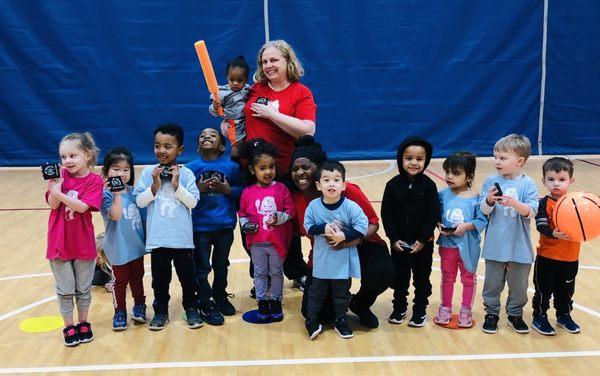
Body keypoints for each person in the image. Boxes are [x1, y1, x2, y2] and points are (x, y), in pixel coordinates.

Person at [291, 136, 395, 329]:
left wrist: (349, 241)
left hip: (364, 244)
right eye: (295, 169)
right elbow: (303, 232)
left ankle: (360, 304)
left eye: (306, 167)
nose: (300, 173)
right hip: (327, 253)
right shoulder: (298, 200)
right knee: (317, 313)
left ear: (319, 169)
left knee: (382, 272)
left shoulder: (349, 192)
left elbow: (373, 224)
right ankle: (340, 303)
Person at [244, 39, 317, 289]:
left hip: (285, 169)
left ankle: (296, 271)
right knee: (257, 224)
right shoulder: (254, 89)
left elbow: (308, 129)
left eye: (274, 60)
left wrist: (272, 114)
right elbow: (235, 111)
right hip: (253, 169)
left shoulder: (300, 92)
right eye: (265, 61)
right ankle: (260, 276)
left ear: (288, 61)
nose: (269, 65)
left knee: (287, 223)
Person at [134, 124, 202, 331]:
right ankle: (160, 311)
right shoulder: (148, 173)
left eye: (167, 146)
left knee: (188, 278)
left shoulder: (187, 174)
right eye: (157, 146)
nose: (161, 151)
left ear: (179, 150)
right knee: (160, 280)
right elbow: (139, 202)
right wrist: (154, 186)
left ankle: (191, 308)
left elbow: (193, 203)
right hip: (158, 239)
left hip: (181, 239)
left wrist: (177, 185)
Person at [45, 132, 103, 346]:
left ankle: (83, 323)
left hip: (83, 243)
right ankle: (69, 326)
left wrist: (58, 192)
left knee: (83, 288)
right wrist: (56, 187)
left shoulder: (94, 181)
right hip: (59, 242)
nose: (67, 161)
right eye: (63, 157)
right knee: (65, 289)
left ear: (87, 155)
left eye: (72, 155)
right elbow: (53, 205)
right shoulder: (59, 177)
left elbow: (81, 207)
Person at [479, 134, 539, 335]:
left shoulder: (528, 184)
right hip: (495, 244)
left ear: (520, 161)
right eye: (495, 157)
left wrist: (515, 203)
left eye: (503, 158)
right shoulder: (490, 181)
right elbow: (483, 212)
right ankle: (492, 313)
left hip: (519, 245)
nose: (497, 162)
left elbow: (531, 212)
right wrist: (488, 200)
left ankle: (515, 313)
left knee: (519, 284)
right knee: (492, 283)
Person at [304, 160, 368, 340]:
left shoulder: (350, 207)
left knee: (341, 294)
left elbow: (362, 226)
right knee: (316, 293)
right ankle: (312, 320)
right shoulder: (314, 207)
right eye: (326, 180)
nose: (331, 184)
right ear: (318, 185)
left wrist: (344, 236)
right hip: (321, 262)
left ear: (344, 185)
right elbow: (307, 227)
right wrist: (323, 227)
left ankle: (341, 319)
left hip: (342, 262)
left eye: (336, 180)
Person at [185, 127, 243, 325]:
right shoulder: (190, 168)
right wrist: (197, 190)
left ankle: (220, 295)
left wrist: (228, 190)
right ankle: (205, 299)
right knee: (201, 267)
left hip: (225, 225)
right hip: (200, 226)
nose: (206, 137)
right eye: (202, 135)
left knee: (221, 264)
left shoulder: (232, 168)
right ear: (198, 146)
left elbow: (242, 192)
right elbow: (183, 196)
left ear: (222, 146)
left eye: (212, 135)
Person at [381, 136, 440, 328]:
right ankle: (399, 307)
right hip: (399, 244)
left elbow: (433, 214)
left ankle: (420, 309)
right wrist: (394, 238)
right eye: (409, 158)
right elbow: (386, 213)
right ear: (401, 159)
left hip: (423, 243)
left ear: (426, 161)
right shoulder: (392, 185)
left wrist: (423, 239)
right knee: (400, 277)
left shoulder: (429, 186)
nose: (414, 162)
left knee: (422, 278)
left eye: (419, 159)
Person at [238, 138, 295, 322]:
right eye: (262, 168)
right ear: (252, 170)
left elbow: (290, 211)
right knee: (260, 272)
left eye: (271, 167)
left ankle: (276, 301)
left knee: (277, 272)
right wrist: (247, 225)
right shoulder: (247, 192)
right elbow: (243, 213)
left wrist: (279, 217)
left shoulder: (281, 189)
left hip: (276, 241)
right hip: (257, 242)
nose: (268, 171)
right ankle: (262, 301)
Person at [434, 152, 487, 328]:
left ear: (469, 176)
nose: (449, 176)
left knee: (468, 278)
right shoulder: (441, 195)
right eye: (447, 172)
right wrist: (439, 224)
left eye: (456, 173)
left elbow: (481, 220)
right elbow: (436, 216)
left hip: (469, 247)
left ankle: (466, 309)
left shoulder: (476, 197)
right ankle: (445, 307)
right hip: (447, 245)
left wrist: (465, 227)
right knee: (447, 277)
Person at [532, 157, 581, 335]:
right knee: (543, 291)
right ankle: (539, 316)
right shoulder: (544, 203)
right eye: (551, 179)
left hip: (570, 257)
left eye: (562, 180)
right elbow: (540, 225)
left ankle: (564, 315)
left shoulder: (577, 203)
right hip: (547, 257)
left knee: (566, 291)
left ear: (571, 180)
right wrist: (553, 233)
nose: (556, 184)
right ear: (543, 181)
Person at [101, 147, 148, 330]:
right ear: (106, 172)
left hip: (136, 246)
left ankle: (140, 305)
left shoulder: (136, 192)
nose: (121, 173)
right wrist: (116, 194)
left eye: (126, 169)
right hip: (118, 248)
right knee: (120, 282)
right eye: (116, 169)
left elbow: (144, 219)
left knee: (138, 278)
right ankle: (119, 311)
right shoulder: (105, 195)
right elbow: (115, 215)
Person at [209, 56, 251, 161]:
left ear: (245, 80)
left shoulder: (247, 89)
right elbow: (213, 112)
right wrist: (215, 106)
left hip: (245, 122)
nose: (235, 83)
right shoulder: (222, 92)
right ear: (227, 77)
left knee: (246, 145)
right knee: (237, 145)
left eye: (240, 80)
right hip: (233, 124)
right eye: (231, 80)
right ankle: (235, 165)